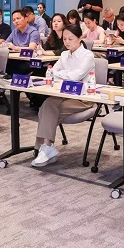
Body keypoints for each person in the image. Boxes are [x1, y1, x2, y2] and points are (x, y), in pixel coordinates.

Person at [32, 22, 96, 167]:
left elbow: (76, 77)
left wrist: (61, 74)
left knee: (45, 110)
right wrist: (64, 74)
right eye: (65, 39)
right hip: (64, 94)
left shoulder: (88, 55)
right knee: (48, 104)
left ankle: (43, 146)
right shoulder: (64, 54)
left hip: (83, 97)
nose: (67, 42)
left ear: (80, 38)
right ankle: (47, 147)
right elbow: (52, 72)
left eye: (70, 39)